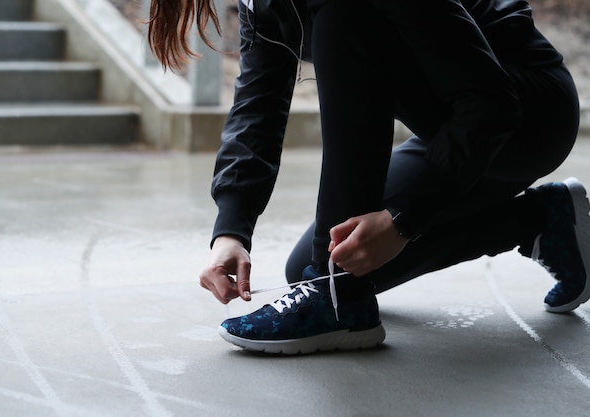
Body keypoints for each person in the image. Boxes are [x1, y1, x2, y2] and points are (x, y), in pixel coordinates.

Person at [148, 0, 590, 355]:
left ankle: (341, 304)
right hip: (451, 129)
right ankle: (539, 220)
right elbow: (257, 107)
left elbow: (492, 103)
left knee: (344, 17)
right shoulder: (260, 5)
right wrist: (231, 229)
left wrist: (404, 218)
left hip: (528, 116)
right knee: (335, 260)